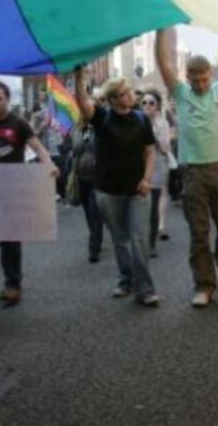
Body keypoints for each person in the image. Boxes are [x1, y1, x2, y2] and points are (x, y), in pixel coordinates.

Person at [155, 27, 218, 308]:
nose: (199, 84)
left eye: (204, 79)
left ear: (211, 75)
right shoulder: (180, 93)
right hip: (193, 173)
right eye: (194, 80)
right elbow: (163, 62)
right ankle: (204, 286)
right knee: (199, 232)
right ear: (187, 78)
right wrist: (162, 28)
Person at [0, 82, 58, 306]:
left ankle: (12, 284)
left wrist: (49, 164)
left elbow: (38, 148)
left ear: (7, 99)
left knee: (9, 239)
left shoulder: (19, 124)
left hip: (13, 188)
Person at [75, 70, 160, 307]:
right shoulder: (102, 117)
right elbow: (82, 102)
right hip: (108, 190)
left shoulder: (141, 119)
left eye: (130, 91)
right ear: (113, 99)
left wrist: (146, 178)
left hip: (137, 190)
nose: (131, 95)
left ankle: (146, 289)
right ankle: (126, 279)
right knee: (120, 239)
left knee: (138, 238)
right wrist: (80, 78)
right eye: (125, 93)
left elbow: (150, 151)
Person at [140, 89, 172, 257]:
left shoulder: (162, 123)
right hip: (139, 166)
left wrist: (153, 131)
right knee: (140, 205)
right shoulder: (137, 119)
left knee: (152, 205)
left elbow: (165, 147)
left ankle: (151, 242)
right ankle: (141, 239)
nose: (147, 106)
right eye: (144, 102)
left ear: (157, 105)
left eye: (151, 103)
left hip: (158, 164)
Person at [70, 119, 104, 263]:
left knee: (94, 210)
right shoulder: (77, 130)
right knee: (87, 211)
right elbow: (74, 148)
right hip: (81, 175)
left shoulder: (100, 126)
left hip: (97, 176)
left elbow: (99, 148)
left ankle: (94, 247)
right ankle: (95, 235)